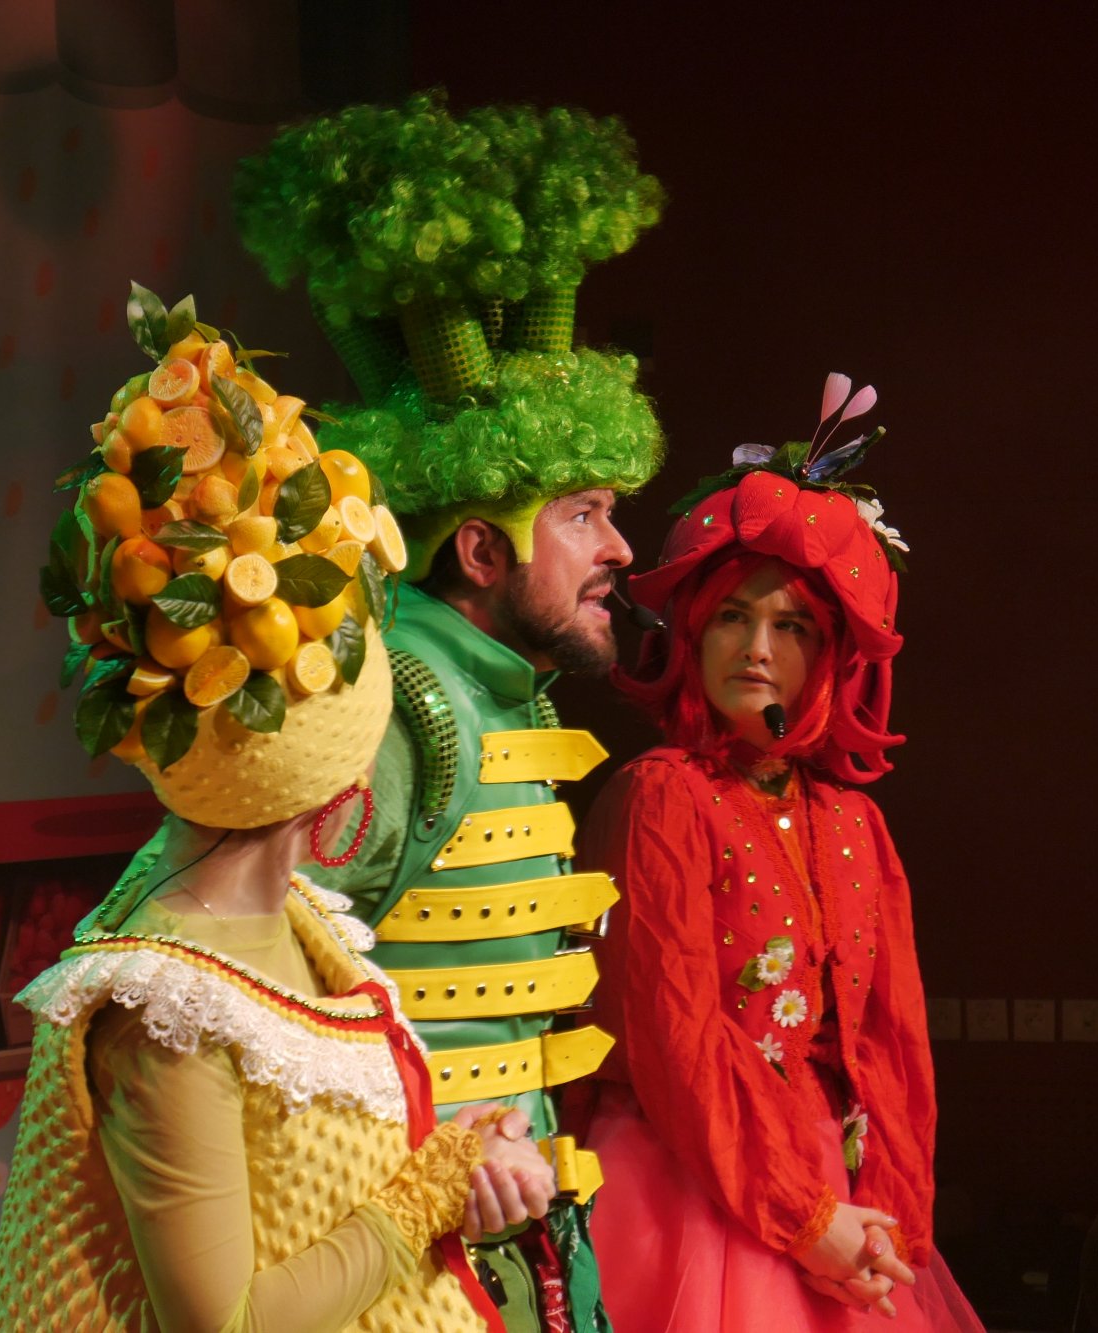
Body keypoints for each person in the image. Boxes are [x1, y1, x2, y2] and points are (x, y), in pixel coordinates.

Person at [0, 320, 554, 1332]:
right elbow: (229, 1321)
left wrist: (455, 1151)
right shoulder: (172, 1006)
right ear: (347, 780)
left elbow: (311, 1185)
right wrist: (429, 1194)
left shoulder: (294, 916)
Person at [235, 94, 666, 1332]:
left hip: (498, 1229)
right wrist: (425, 1156)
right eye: (581, 515)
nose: (618, 547)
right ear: (480, 549)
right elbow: (258, 981)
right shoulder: (400, 706)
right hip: (405, 1246)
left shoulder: (487, 691)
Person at [575, 380, 986, 1331]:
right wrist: (805, 1220)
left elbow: (893, 1044)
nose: (757, 647)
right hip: (690, 1178)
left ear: (829, 654)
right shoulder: (663, 794)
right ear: (693, 629)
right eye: (732, 615)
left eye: (791, 625)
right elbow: (674, 1038)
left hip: (834, 1185)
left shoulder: (854, 820)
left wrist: (892, 1226)